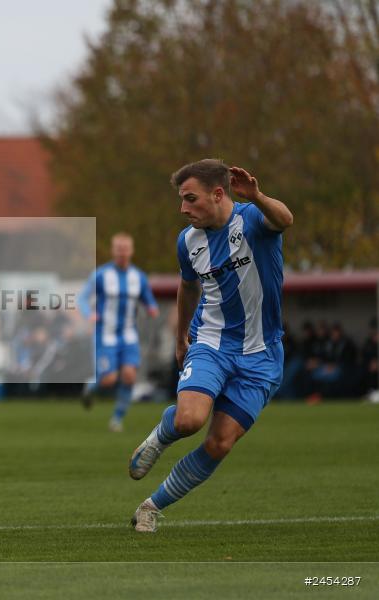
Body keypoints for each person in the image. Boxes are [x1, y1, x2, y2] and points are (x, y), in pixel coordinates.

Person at [128, 159, 293, 532]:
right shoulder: (187, 241)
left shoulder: (253, 220)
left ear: (218, 194)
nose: (183, 209)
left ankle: (150, 507)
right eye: (181, 200)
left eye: (191, 199)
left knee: (219, 444)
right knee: (189, 420)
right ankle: (160, 437)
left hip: (262, 355)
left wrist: (259, 195)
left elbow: (285, 220)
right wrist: (181, 335)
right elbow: (188, 287)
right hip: (211, 341)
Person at [78, 233, 159, 431]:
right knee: (108, 380)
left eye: (125, 248)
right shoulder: (101, 275)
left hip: (129, 335)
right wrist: (89, 313)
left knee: (130, 376)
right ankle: (91, 385)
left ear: (131, 251)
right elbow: (82, 298)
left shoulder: (138, 276)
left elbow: (148, 298)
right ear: (113, 251)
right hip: (106, 335)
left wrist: (152, 308)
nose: (122, 252)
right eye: (118, 249)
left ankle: (117, 419)